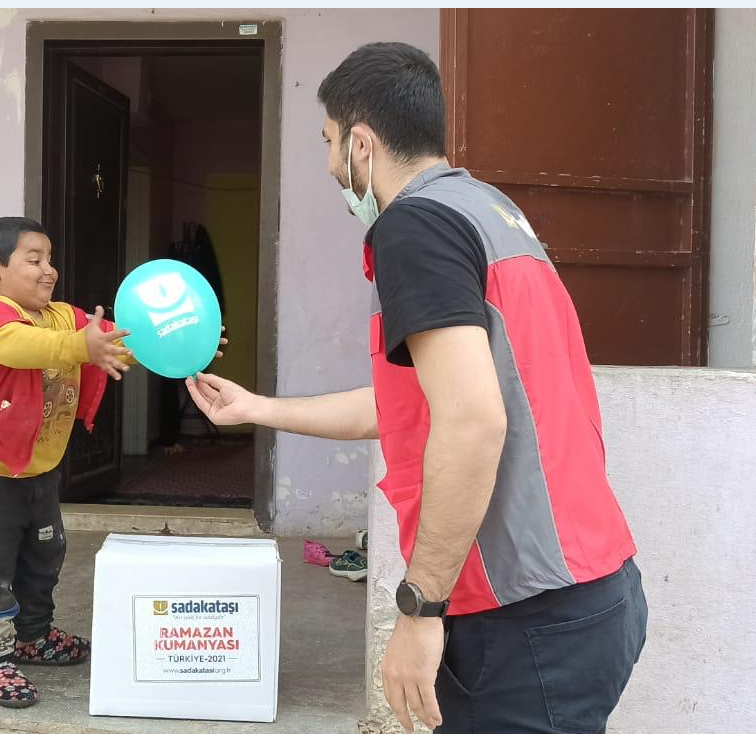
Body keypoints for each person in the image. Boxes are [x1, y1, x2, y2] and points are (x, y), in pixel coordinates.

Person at [185, 42, 648, 733]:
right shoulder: (488, 211)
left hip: (523, 618)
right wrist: (256, 408)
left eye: (328, 142)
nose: (328, 163)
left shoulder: (414, 227)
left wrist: (419, 608)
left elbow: (470, 423)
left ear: (362, 144)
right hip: (593, 592)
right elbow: (419, 404)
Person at [0, 216, 131, 708]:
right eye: (34, 260)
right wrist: (80, 346)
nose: (50, 270)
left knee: (44, 557)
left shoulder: (63, 317)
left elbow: (116, 340)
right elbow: (27, 347)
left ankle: (32, 635)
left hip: (38, 470)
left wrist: (182, 345)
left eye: (50, 260)